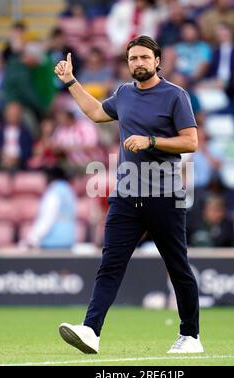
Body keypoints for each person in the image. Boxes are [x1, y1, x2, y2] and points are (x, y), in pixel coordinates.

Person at [55, 35, 203, 354]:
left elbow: (191, 142)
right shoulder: (123, 93)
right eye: (133, 58)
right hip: (126, 196)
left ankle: (191, 336)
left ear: (157, 61)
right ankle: (91, 331)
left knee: (178, 267)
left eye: (144, 58)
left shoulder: (176, 96)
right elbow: (95, 112)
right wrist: (70, 82)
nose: (138, 63)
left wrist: (150, 141)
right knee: (110, 264)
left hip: (165, 196)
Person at [20, 167, 77, 249]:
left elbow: (47, 218)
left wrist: (31, 239)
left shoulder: (53, 193)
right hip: (68, 243)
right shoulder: (69, 192)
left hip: (52, 244)